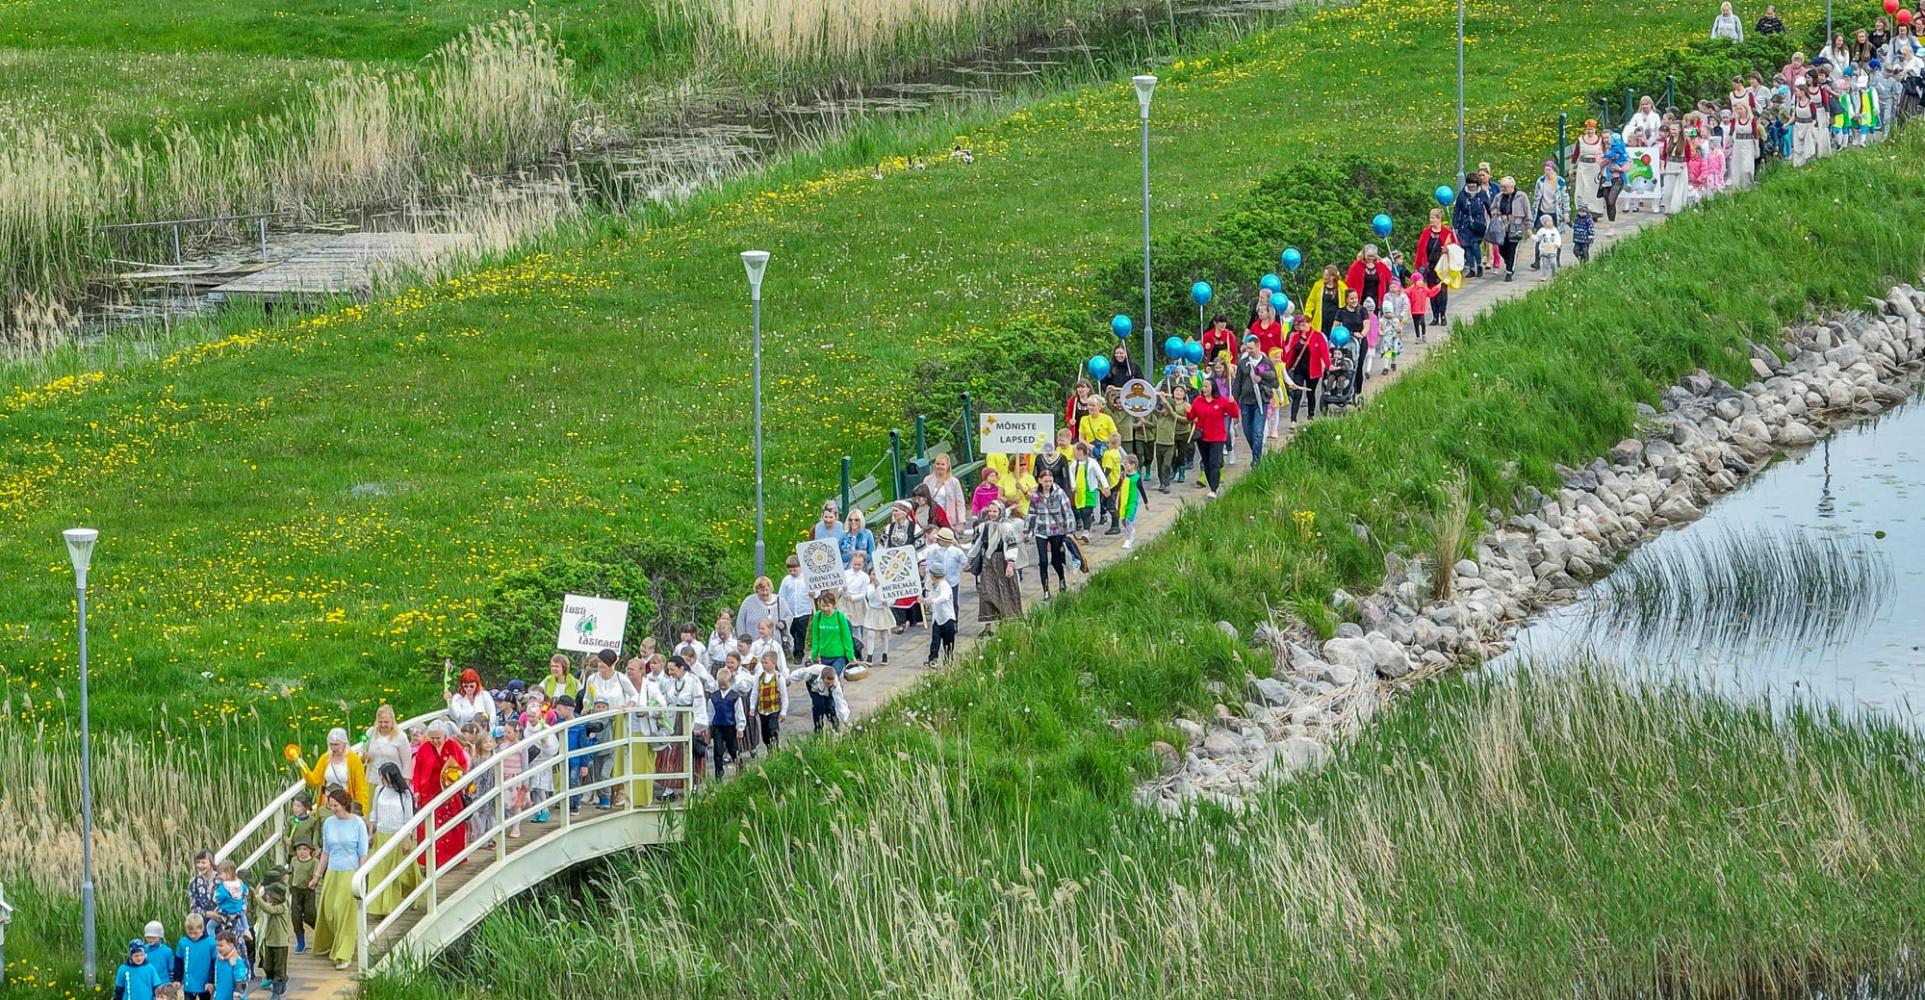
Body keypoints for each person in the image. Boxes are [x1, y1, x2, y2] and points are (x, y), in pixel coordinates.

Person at [309, 788, 367, 970]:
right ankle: (330, 942)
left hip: (350, 872)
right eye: (330, 804)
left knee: (342, 910)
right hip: (333, 871)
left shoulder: (358, 823)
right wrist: (317, 875)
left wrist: (361, 874)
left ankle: (344, 953)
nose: (332, 808)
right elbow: (326, 851)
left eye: (335, 805)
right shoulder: (328, 823)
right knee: (329, 910)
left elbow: (363, 852)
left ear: (344, 804)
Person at [409, 720, 468, 870]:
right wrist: (416, 790)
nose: (435, 741)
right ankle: (432, 860)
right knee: (431, 826)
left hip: (449, 792)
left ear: (445, 736)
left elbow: (462, 764)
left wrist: (454, 776)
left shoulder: (453, 746)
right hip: (429, 793)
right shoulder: (424, 748)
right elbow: (418, 770)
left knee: (452, 825)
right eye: (432, 738)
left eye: (438, 738)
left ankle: (452, 857)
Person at [362, 762, 418, 917]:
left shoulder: (404, 794)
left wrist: (407, 839)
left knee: (398, 872)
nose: (383, 781)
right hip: (381, 835)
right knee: (379, 872)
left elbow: (408, 818)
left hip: (398, 836)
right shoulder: (380, 790)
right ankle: (380, 907)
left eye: (385, 777)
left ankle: (394, 903)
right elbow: (374, 813)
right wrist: (371, 832)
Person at [1183, 376, 1238, 498]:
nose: (1204, 388)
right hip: (1202, 437)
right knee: (1206, 463)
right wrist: (1188, 411)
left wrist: (1232, 403)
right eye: (1203, 386)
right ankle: (1211, 484)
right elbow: (1191, 417)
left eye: (1207, 386)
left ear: (1213, 387)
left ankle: (1214, 488)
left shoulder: (1221, 401)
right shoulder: (1198, 400)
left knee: (1214, 463)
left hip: (1217, 437)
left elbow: (1234, 414)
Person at [973, 498, 1029, 615]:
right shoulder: (984, 527)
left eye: (994, 511)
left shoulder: (1006, 527)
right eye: (990, 511)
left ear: (1000, 512)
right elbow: (976, 545)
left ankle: (1009, 617)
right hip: (988, 562)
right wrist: (969, 561)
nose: (991, 514)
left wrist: (1010, 564)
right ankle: (989, 625)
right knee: (986, 592)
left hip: (1002, 561)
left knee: (1006, 590)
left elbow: (1011, 546)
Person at [300, 728, 369, 815]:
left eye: (336, 745)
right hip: (328, 805)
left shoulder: (354, 760)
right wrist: (303, 766)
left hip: (346, 805)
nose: (333, 748)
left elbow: (361, 788)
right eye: (331, 744)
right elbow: (313, 781)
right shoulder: (325, 758)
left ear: (344, 744)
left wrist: (362, 810)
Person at [1231, 335, 1277, 464]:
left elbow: (1275, 382)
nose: (1249, 351)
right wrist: (1234, 404)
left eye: (1251, 348)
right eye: (1247, 348)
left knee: (1258, 432)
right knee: (1247, 431)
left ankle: (1256, 461)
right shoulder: (1243, 363)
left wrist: (1261, 378)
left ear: (1258, 346)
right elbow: (1237, 385)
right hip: (1245, 402)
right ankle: (1256, 452)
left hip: (1261, 402)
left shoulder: (1266, 363)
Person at [1282, 315, 1333, 424]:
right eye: (1301, 324)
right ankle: (1293, 419)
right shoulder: (1295, 337)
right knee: (1297, 393)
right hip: (1299, 369)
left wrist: (1329, 365)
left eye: (1305, 323)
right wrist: (1284, 364)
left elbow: (1324, 352)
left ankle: (1311, 415)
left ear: (1310, 324)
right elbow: (1290, 352)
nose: (1303, 325)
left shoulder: (1317, 336)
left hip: (1313, 370)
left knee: (1311, 393)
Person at [1410, 209, 1456, 324]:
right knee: (1431, 291)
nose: (1431, 220)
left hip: (1443, 266)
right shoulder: (1426, 232)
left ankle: (1443, 315)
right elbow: (1420, 250)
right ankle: (1435, 316)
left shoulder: (1447, 232)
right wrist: (1417, 266)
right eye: (1430, 218)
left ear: (1439, 219)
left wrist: (1448, 250)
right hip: (1429, 266)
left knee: (1442, 291)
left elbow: (1456, 248)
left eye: (1433, 218)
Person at [1485, 176, 1531, 280]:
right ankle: (1508, 261)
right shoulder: (1499, 196)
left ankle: (1509, 271)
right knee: (1502, 248)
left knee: (1512, 249)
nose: (1503, 189)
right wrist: (1497, 214)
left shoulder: (1522, 196)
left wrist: (1528, 227)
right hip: (1502, 227)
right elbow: (1492, 208)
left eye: (1506, 187)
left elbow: (1527, 211)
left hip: (1516, 226)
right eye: (1502, 187)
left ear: (1512, 186)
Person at [254, 880, 293, 999]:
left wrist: (257, 898)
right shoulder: (271, 905)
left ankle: (276, 992)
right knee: (268, 966)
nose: (267, 896)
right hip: (269, 941)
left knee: (279, 968)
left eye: (270, 895)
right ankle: (282, 978)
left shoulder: (282, 907)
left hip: (280, 943)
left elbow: (268, 910)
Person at [1150, 382, 1190, 491]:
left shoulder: (1173, 417)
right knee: (1159, 465)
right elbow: (1149, 407)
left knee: (1166, 465)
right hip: (1159, 444)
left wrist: (1165, 400)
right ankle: (1162, 483)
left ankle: (1167, 483)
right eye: (1163, 407)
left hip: (1169, 444)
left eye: (1167, 408)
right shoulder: (1159, 415)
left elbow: (1173, 412)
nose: (1165, 410)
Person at [787, 663, 850, 732]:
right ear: (822, 678)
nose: (830, 684)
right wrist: (788, 680)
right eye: (828, 683)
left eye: (831, 682)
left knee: (830, 707)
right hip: (814, 688)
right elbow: (798, 674)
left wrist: (844, 720)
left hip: (829, 692)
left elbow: (839, 703)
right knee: (818, 705)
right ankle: (818, 727)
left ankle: (835, 725)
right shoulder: (811, 673)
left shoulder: (835, 686)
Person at [804, 591, 856, 675]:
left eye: (828, 606)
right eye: (823, 606)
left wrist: (850, 655)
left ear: (833, 605)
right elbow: (816, 637)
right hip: (824, 655)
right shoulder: (818, 616)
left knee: (834, 675)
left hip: (838, 655)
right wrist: (814, 655)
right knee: (826, 680)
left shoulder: (840, 616)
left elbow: (846, 637)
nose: (825, 609)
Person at [1066, 439, 1108, 541]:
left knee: (1087, 511)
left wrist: (1106, 486)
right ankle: (1086, 529)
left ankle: (1086, 531)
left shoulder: (1092, 463)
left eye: (1075, 451)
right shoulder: (1074, 464)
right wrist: (1073, 486)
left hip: (1090, 491)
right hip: (1079, 492)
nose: (1073, 453)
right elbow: (1071, 475)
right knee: (1080, 510)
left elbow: (1100, 474)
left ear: (1081, 451)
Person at [1451, 172, 1491, 278]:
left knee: (1475, 246)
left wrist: (1492, 221)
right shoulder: (1462, 194)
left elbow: (1489, 208)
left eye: (1473, 183)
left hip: (1478, 225)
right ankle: (1471, 268)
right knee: (1466, 247)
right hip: (1464, 225)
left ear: (1477, 183)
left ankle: (1479, 265)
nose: (1471, 185)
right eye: (1469, 183)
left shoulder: (1482, 194)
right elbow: (1457, 210)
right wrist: (1455, 225)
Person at [748, 650, 787, 750]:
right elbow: (755, 692)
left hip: (774, 709)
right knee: (765, 734)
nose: (764, 665)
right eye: (763, 662)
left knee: (772, 728)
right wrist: (752, 707)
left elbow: (784, 696)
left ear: (773, 663)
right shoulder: (759, 677)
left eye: (766, 662)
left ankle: (775, 748)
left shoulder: (779, 678)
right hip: (762, 710)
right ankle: (769, 749)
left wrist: (783, 712)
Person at [1531, 161, 1564, 271]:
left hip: (1555, 212)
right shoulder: (1540, 181)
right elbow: (1536, 196)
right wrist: (1533, 212)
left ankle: (1556, 260)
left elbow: (1565, 198)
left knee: (1555, 236)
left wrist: (1566, 212)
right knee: (1540, 235)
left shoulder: (1560, 182)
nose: (1546, 172)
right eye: (1545, 169)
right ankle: (1537, 260)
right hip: (1542, 211)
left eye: (1549, 170)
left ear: (1554, 171)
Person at [362, 705, 410, 782]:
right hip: (373, 780)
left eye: (386, 722)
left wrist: (406, 781)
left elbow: (407, 762)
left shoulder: (401, 737)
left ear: (392, 721)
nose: (383, 725)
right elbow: (363, 750)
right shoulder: (370, 733)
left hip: (393, 782)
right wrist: (364, 757)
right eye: (380, 722)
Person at [176, 914, 217, 999]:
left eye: (195, 933)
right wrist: (177, 979)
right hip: (189, 984)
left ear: (202, 928)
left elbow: (215, 964)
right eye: (190, 933)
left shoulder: (211, 942)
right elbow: (178, 962)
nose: (193, 936)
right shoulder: (183, 942)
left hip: (205, 985)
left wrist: (211, 981)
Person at [920, 453, 966, 528]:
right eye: (938, 464)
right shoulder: (927, 480)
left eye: (942, 464)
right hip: (931, 519)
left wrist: (961, 522)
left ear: (947, 466)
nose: (940, 466)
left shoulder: (954, 482)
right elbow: (921, 499)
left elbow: (960, 503)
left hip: (948, 520)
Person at [923, 564, 958, 664]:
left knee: (948, 642)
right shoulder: (933, 585)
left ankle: (948, 659)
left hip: (948, 618)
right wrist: (924, 601)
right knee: (935, 640)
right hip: (937, 618)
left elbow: (944, 597)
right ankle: (933, 658)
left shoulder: (945, 585)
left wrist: (933, 601)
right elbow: (930, 597)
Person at [1113, 453, 1147, 550]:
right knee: (1123, 520)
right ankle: (1131, 530)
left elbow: (1142, 490)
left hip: (1132, 501)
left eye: (1126, 464)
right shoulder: (1123, 475)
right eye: (1124, 464)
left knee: (1128, 519)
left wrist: (1146, 502)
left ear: (1133, 465)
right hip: (1123, 501)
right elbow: (1118, 485)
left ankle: (1128, 539)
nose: (1125, 466)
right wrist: (1110, 490)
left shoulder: (1137, 477)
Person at [1344, 245, 1394, 310]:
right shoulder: (1356, 265)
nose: (1370, 258)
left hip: (1376, 299)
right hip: (1360, 298)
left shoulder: (1381, 265)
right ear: (1364, 254)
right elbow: (1349, 282)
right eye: (1368, 256)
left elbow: (1389, 278)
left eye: (1372, 256)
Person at [735, 576, 780, 641]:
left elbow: (789, 618)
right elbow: (740, 622)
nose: (765, 593)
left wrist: (783, 624)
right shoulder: (748, 602)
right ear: (757, 590)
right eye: (762, 590)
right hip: (753, 643)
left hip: (775, 643)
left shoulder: (779, 601)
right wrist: (743, 640)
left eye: (767, 590)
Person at [1305, 265, 1347, 333]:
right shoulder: (1318, 285)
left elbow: (1347, 300)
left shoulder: (1341, 287)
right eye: (1324, 274)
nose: (1325, 277)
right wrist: (1307, 313)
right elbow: (1311, 301)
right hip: (1321, 319)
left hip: (1335, 320)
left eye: (1327, 275)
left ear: (1333, 276)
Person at [210, 935, 247, 1000]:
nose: (218, 948)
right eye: (217, 945)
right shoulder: (218, 960)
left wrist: (238, 997)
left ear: (231, 946)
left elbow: (240, 982)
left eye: (221, 945)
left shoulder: (237, 962)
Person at [1403, 273, 1431, 343]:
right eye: (1419, 280)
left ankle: (1424, 335)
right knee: (1416, 324)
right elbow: (1405, 292)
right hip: (1414, 310)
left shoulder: (1424, 288)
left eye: (1421, 280)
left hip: (1421, 310)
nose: (1421, 282)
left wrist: (1437, 288)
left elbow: (1430, 293)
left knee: (1422, 322)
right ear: (1415, 282)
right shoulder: (1412, 289)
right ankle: (1418, 337)